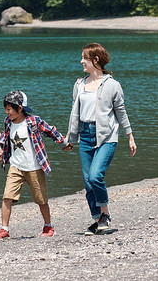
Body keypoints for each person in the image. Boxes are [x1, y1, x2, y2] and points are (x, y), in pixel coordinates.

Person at [66, 43, 136, 235]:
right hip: (85, 136)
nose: (81, 61)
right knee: (88, 183)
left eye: (84, 58)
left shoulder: (112, 85)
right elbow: (75, 112)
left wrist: (130, 136)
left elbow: (121, 112)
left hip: (106, 136)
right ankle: (97, 221)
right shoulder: (79, 84)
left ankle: (105, 214)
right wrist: (70, 136)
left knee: (95, 176)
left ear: (95, 60)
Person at [0, 90, 72, 240]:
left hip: (34, 167)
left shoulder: (33, 121)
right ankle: (4, 229)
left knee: (41, 199)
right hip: (16, 166)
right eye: (6, 109)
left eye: (9, 109)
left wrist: (64, 143)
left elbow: (50, 130)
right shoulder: (8, 122)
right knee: (7, 196)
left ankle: (48, 225)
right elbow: (2, 138)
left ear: (20, 108)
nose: (7, 112)